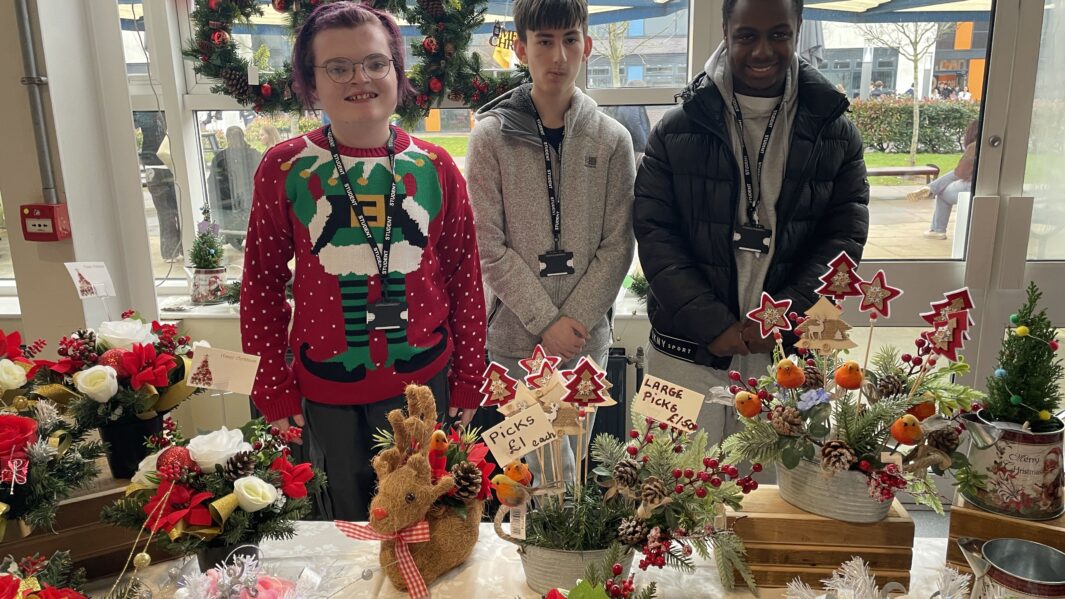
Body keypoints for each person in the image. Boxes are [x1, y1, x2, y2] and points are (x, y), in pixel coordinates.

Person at [241, 2, 486, 521]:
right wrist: (272, 388)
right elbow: (261, 286)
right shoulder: (284, 167)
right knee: (345, 528)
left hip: (425, 389)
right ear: (310, 81)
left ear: (397, 72)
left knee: (426, 524)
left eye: (376, 63)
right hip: (327, 397)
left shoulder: (437, 166)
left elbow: (465, 280)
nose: (361, 78)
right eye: (338, 67)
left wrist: (469, 377)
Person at [633, 0, 869, 446]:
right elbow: (655, 233)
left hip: (790, 352)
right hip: (684, 350)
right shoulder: (675, 130)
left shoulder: (836, 132)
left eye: (779, 34)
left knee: (778, 484)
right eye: (747, 35)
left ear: (798, 28)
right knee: (666, 475)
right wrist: (711, 323)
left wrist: (782, 318)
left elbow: (844, 240)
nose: (762, 50)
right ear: (726, 30)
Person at [467, 0, 635, 486]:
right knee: (530, 477)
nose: (558, 56)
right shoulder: (490, 138)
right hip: (515, 346)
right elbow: (488, 245)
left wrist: (571, 323)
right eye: (544, 41)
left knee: (571, 477)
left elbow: (617, 245)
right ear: (522, 49)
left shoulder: (612, 140)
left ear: (587, 45)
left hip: (584, 343)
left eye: (569, 39)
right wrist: (545, 322)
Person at [908, 120, 979, 239]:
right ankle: (931, 188)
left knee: (943, 193)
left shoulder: (975, 147)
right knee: (947, 181)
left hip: (972, 186)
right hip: (992, 186)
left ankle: (938, 230)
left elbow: (961, 173)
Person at [133, 111, 182, 262]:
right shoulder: (153, 113)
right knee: (169, 212)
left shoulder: (152, 113)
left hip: (160, 164)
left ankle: (175, 250)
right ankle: (173, 250)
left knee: (173, 211)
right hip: (158, 165)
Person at [207, 126, 262, 250]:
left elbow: (261, 176)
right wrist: (217, 200)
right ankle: (234, 239)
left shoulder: (253, 155)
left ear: (242, 137)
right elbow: (213, 182)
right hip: (229, 199)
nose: (235, 140)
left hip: (250, 196)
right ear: (228, 139)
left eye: (237, 137)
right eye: (232, 138)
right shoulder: (220, 158)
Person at [602, 80, 652, 157]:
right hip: (633, 147)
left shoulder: (621, 99)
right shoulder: (631, 103)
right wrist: (645, 146)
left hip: (623, 145)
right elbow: (635, 124)